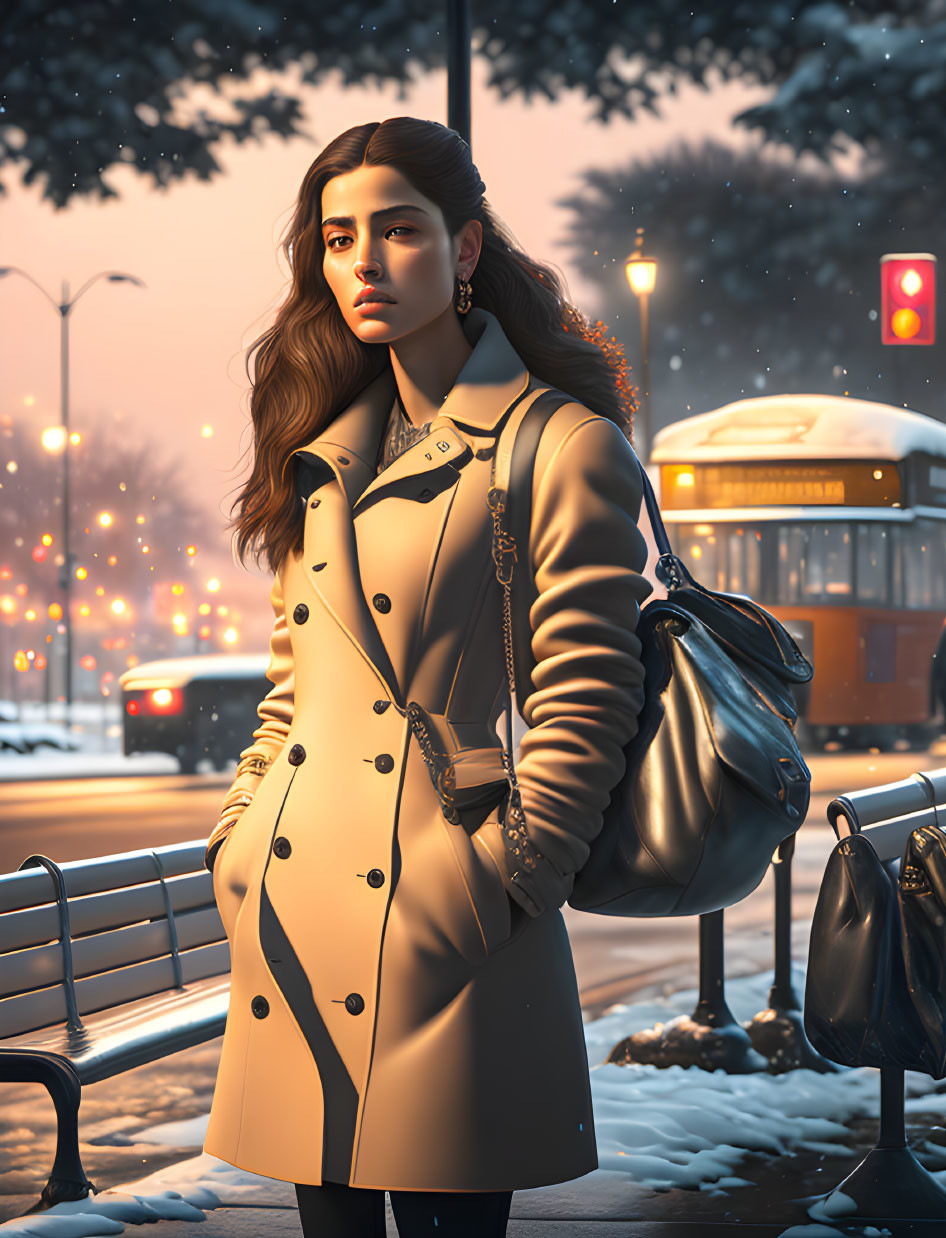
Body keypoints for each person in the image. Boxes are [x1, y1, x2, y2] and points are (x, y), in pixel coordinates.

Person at [202, 116, 652, 1238]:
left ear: (463, 249)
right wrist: (241, 840)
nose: (361, 260)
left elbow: (587, 695)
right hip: (298, 908)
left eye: (397, 230)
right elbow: (293, 686)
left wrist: (497, 883)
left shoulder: (557, 445)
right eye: (337, 235)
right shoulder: (325, 453)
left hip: (448, 912)